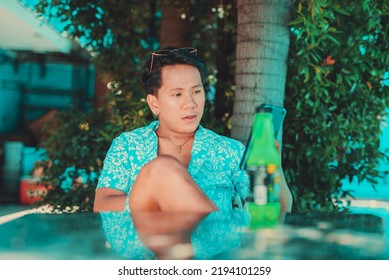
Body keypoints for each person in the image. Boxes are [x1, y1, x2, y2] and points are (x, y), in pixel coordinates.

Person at [93, 47, 292, 218]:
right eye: (177, 94)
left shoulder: (229, 151)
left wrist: (274, 167)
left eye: (196, 91)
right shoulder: (128, 146)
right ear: (154, 103)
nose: (191, 103)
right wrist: (154, 204)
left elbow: (282, 209)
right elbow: (102, 204)